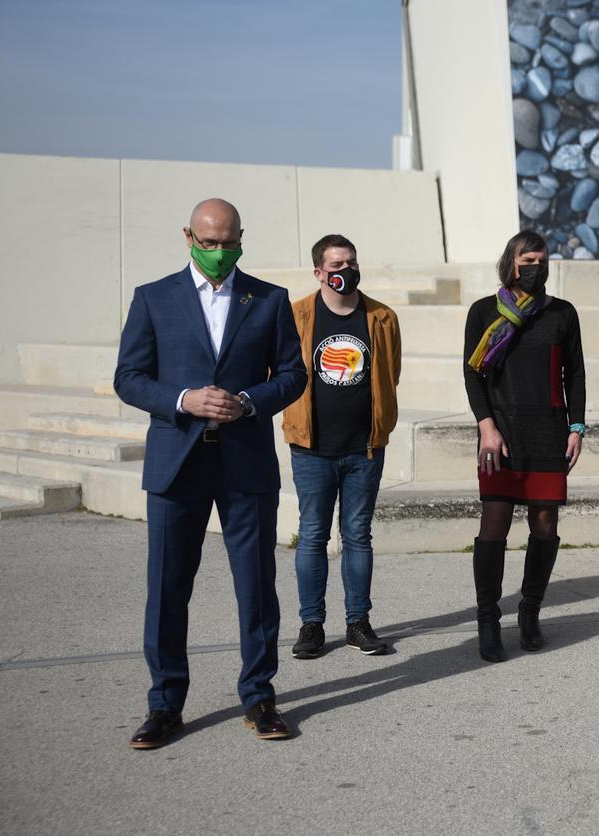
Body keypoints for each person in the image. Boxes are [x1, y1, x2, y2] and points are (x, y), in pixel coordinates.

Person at [113, 198, 307, 749]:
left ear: (241, 238)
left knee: (255, 586)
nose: (219, 251)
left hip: (244, 462)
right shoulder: (153, 299)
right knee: (168, 588)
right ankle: (165, 704)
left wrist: (247, 402)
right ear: (188, 236)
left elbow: (293, 376)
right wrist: (182, 398)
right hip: (177, 464)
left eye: (229, 241)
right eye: (209, 241)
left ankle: (259, 696)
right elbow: (128, 377)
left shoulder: (268, 300)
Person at [463, 231, 586, 662]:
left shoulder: (562, 314)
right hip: (501, 433)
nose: (536, 266)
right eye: (527, 258)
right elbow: (473, 375)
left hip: (549, 432)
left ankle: (530, 611)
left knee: (545, 525)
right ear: (510, 263)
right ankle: (487, 618)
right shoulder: (483, 312)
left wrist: (577, 427)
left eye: (542, 259)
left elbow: (576, 375)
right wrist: (486, 428)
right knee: (494, 522)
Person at [281, 234, 402, 660]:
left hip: (364, 449)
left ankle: (357, 623)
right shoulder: (296, 316)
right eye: (336, 264)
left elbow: (391, 374)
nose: (345, 270)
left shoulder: (382, 318)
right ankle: (312, 624)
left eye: (351, 262)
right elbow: (279, 373)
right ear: (319, 272)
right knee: (313, 535)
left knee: (358, 536)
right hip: (311, 449)